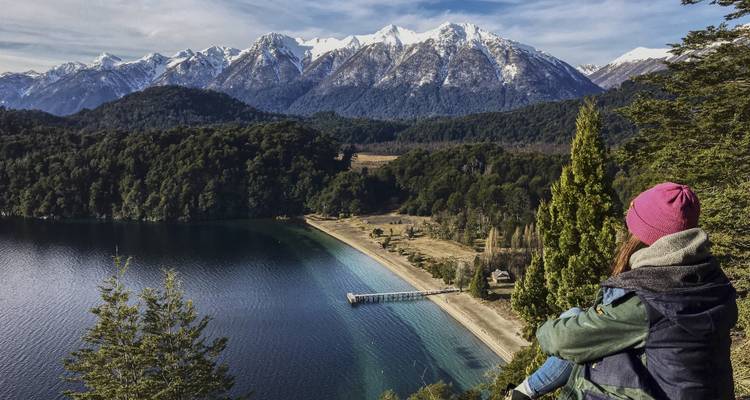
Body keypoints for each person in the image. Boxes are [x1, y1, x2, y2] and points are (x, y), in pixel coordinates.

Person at [508, 182, 737, 400]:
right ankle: (524, 391)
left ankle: (523, 392)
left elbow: (560, 340)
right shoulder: (712, 281)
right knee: (592, 330)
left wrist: (551, 326)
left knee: (584, 334)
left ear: (644, 236)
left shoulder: (650, 298)